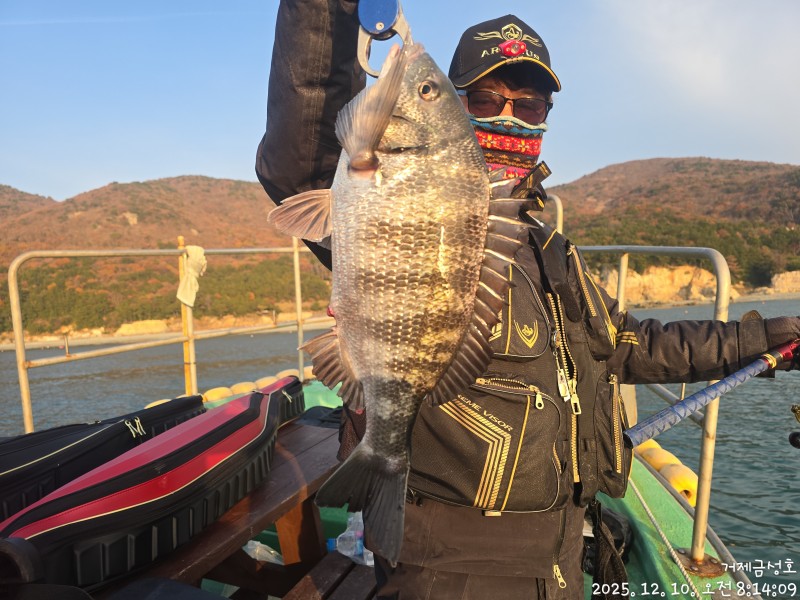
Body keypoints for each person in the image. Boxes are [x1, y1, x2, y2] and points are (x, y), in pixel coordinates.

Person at [256, 3, 800, 598]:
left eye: (530, 106)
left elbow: (628, 344)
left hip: (560, 550)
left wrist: (768, 337)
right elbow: (303, 154)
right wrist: (328, 10)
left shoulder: (551, 248)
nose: (509, 117)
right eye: (486, 99)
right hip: (454, 560)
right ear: (457, 107)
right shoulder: (389, 195)